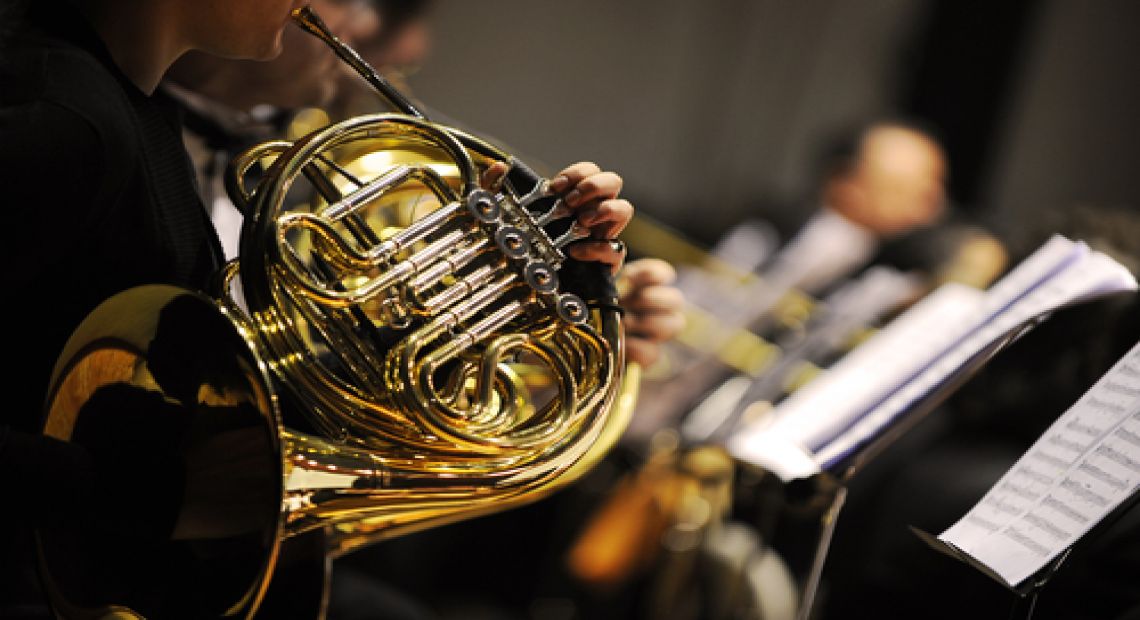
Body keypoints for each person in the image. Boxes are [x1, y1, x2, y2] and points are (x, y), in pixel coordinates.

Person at [0, 1, 633, 616]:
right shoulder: (62, 121)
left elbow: (189, 375)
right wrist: (150, 498)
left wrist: (491, 300)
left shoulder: (133, 110)